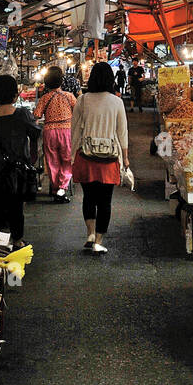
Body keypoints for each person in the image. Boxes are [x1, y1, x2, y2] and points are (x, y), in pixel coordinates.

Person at [70, 63, 130, 254]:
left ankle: (89, 233)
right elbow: (122, 133)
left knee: (89, 197)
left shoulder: (83, 99)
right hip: (109, 159)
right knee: (105, 201)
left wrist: (72, 155)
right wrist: (126, 159)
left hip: (86, 157)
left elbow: (75, 130)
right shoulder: (117, 102)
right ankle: (98, 240)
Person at [0, 74, 41, 249]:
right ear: (15, 94)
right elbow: (35, 133)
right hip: (14, 169)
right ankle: (17, 241)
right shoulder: (22, 114)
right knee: (15, 207)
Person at [33, 65, 77, 202]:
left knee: (52, 161)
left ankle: (54, 188)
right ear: (61, 81)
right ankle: (62, 189)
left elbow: (36, 114)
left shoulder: (45, 98)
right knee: (67, 160)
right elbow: (77, 111)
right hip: (66, 131)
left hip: (50, 131)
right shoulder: (69, 96)